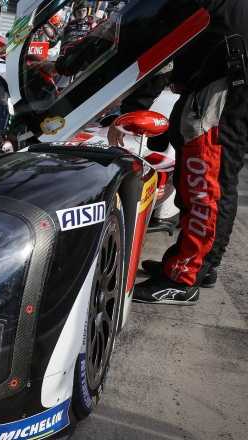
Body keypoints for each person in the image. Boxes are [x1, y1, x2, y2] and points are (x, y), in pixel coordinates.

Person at [113, 0, 248, 305]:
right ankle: (203, 264)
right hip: (221, 84)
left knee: (206, 186)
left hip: (224, 89)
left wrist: (134, 107)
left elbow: (161, 39)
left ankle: (184, 279)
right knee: (207, 181)